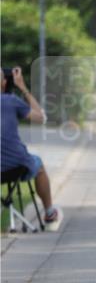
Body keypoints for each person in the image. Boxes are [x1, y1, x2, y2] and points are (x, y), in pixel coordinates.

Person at [1, 66, 63, 229]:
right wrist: (23, 88)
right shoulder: (12, 101)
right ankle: (50, 214)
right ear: (4, 83)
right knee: (39, 165)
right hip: (16, 165)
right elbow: (41, 118)